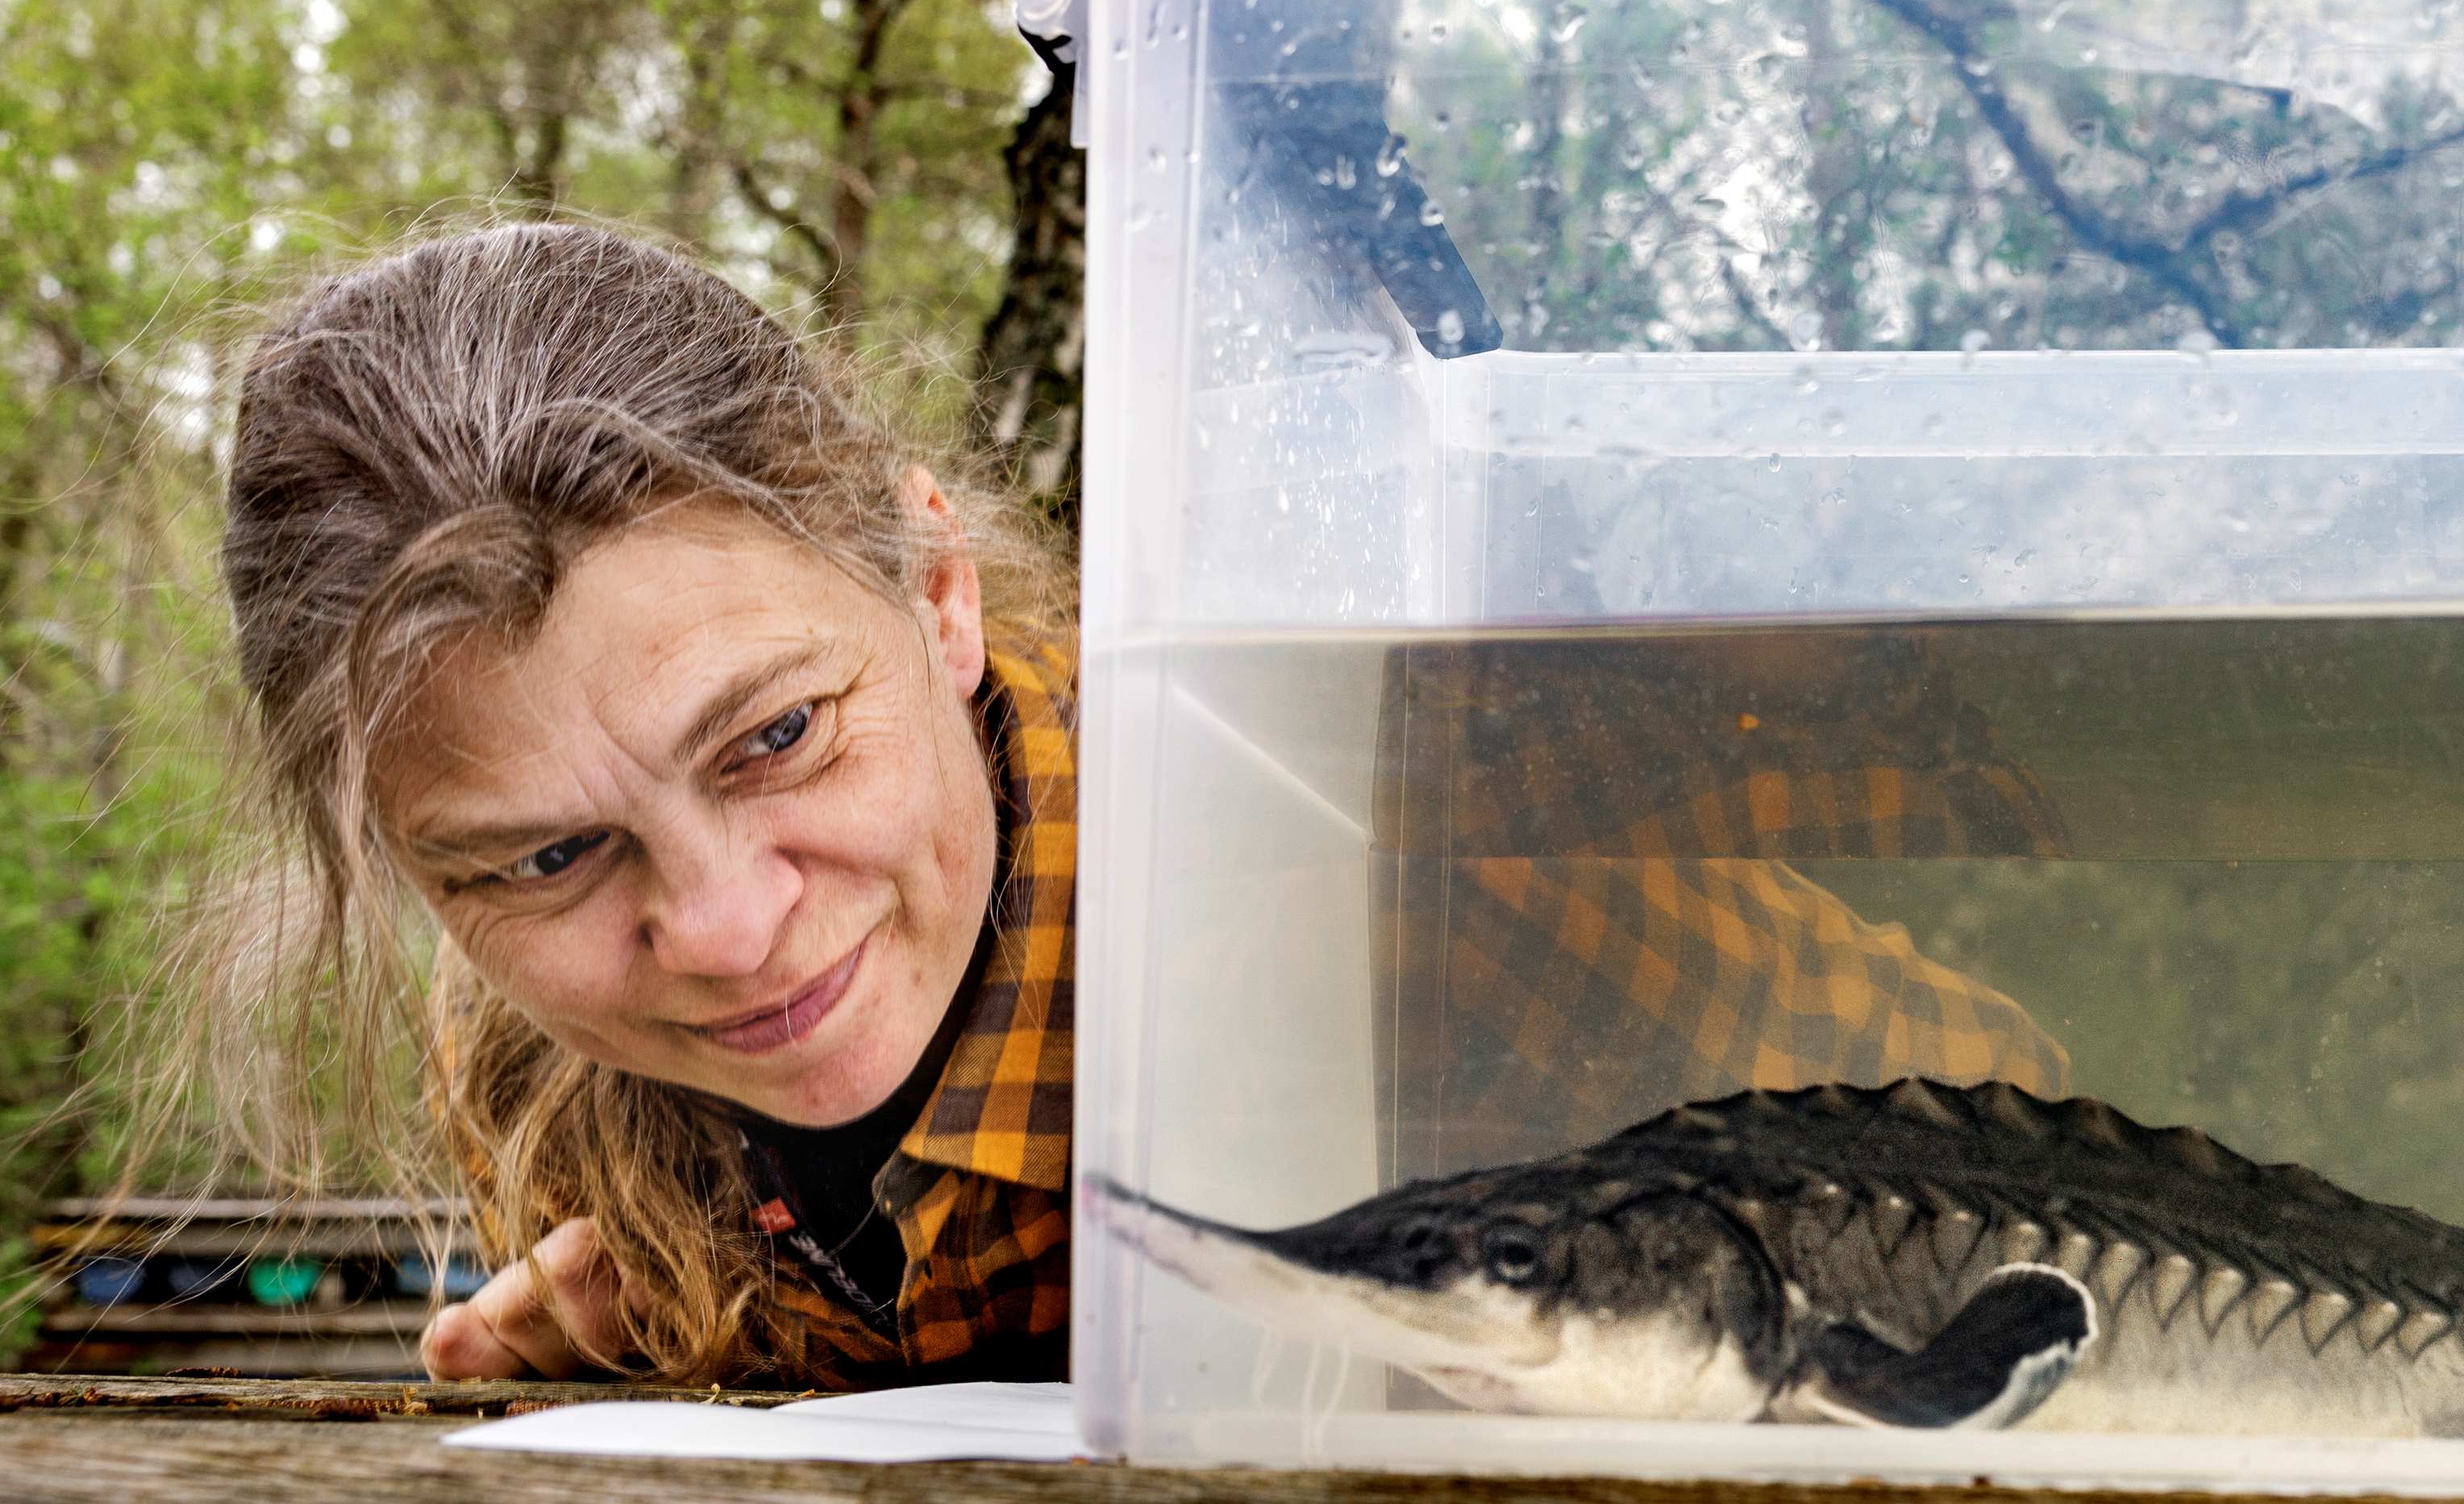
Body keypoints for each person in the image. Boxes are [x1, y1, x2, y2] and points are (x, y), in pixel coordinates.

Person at [201, 221, 2067, 1389]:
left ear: (936, 598)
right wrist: (712, 1347)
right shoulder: (534, 1057)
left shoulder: (1406, 909)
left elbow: (2043, 1183)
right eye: (544, 856)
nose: (722, 928)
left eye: (774, 741)